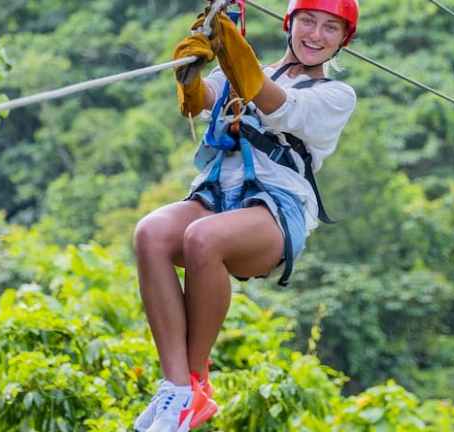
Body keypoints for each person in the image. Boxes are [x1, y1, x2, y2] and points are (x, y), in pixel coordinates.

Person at [133, 0, 359, 430]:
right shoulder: (239, 74)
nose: (315, 35)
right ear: (289, 24)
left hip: (276, 207)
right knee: (151, 234)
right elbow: (201, 101)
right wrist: (190, 72)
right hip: (219, 193)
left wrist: (234, 51)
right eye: (308, 21)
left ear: (343, 40)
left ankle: (197, 381)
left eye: (330, 28)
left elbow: (277, 106)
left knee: (203, 237)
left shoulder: (335, 96)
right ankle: (176, 387)